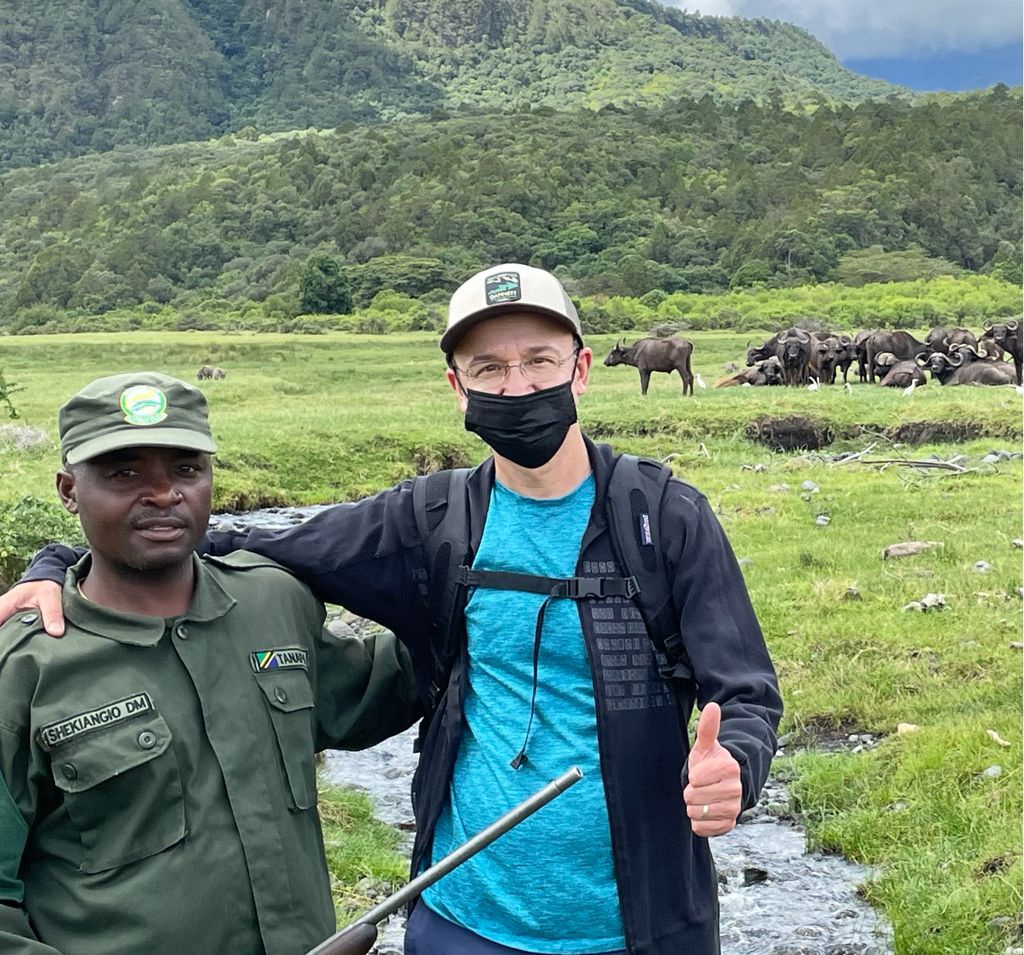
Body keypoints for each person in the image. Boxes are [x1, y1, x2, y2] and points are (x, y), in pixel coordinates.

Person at [3, 265, 782, 955]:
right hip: (462, 918)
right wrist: (64, 562)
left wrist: (736, 765)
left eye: (538, 360)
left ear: (580, 369)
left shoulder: (663, 518)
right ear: (457, 385)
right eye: (489, 367)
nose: (516, 386)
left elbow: (745, 691)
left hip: (642, 918)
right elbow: (239, 534)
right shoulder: (428, 519)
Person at [0, 373, 419, 955]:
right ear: (69, 490)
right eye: (124, 474)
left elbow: (373, 691)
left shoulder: (273, 600)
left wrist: (482, 614)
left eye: (186, 469)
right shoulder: (22, 666)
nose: (163, 493)